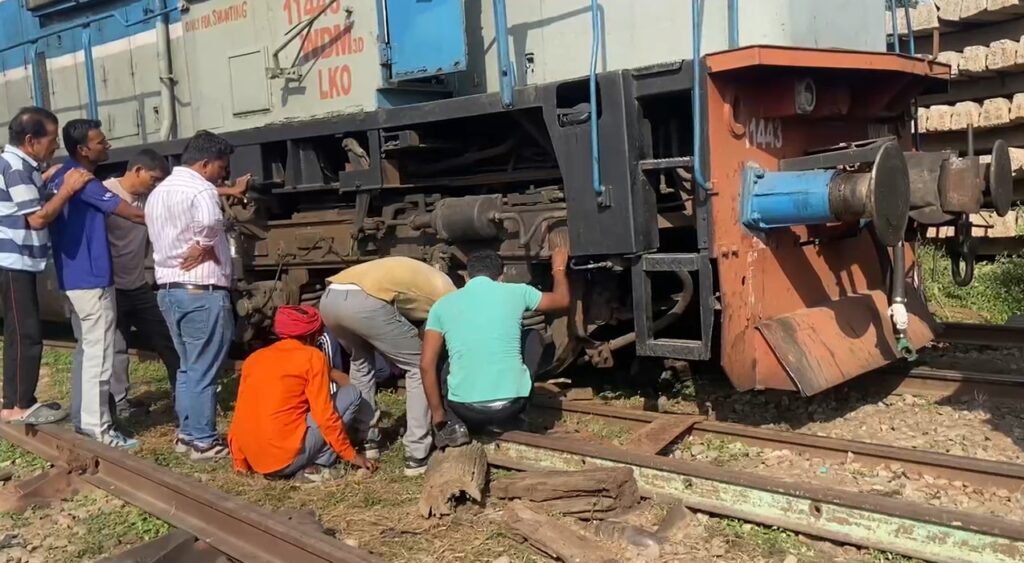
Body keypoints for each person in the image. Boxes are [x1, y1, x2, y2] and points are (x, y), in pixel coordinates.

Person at [146, 130, 248, 461]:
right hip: (201, 292)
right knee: (204, 369)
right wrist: (203, 244)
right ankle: (204, 441)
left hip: (170, 291)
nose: (223, 174)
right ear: (205, 164)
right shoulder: (201, 189)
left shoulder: (158, 192)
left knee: (187, 368)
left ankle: (187, 434)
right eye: (221, 167)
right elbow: (210, 219)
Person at [47, 119, 145, 448]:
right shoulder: (85, 182)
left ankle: (87, 421)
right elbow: (132, 213)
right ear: (83, 150)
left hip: (73, 277)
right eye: (101, 142)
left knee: (89, 351)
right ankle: (99, 429)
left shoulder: (60, 175)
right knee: (99, 356)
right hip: (92, 278)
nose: (108, 145)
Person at [319, 256, 456, 475]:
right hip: (365, 301)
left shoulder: (427, 277)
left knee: (360, 363)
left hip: (329, 298)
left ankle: (367, 439)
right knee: (419, 365)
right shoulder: (450, 294)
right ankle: (417, 453)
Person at [421, 247, 570, 443]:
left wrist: (438, 415)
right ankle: (519, 413)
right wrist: (558, 268)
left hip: (465, 410)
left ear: (466, 277)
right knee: (532, 336)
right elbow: (562, 300)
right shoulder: (518, 292)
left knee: (444, 357)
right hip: (513, 406)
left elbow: (426, 366)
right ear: (502, 276)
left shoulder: (442, 305)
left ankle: (454, 424)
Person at [0, 107, 92, 425]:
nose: (55, 145)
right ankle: (19, 405)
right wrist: (66, 189)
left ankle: (13, 401)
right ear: (30, 140)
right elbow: (37, 218)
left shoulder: (19, 165)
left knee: (18, 332)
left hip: (17, 260)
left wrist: (43, 178)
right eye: (52, 139)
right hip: (14, 261)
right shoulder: (15, 167)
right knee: (26, 333)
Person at [229, 305, 378, 482]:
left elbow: (239, 416)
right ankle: (317, 467)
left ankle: (305, 463)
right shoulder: (312, 357)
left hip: (256, 460)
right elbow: (325, 416)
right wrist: (351, 455)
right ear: (311, 335)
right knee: (351, 394)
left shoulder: (254, 359)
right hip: (284, 460)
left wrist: (240, 463)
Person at [101, 149, 179, 417]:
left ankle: (182, 393)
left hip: (137, 286)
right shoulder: (105, 193)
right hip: (111, 287)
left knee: (166, 337)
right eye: (153, 179)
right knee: (115, 347)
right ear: (137, 171)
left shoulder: (150, 199)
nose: (155, 185)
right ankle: (120, 403)